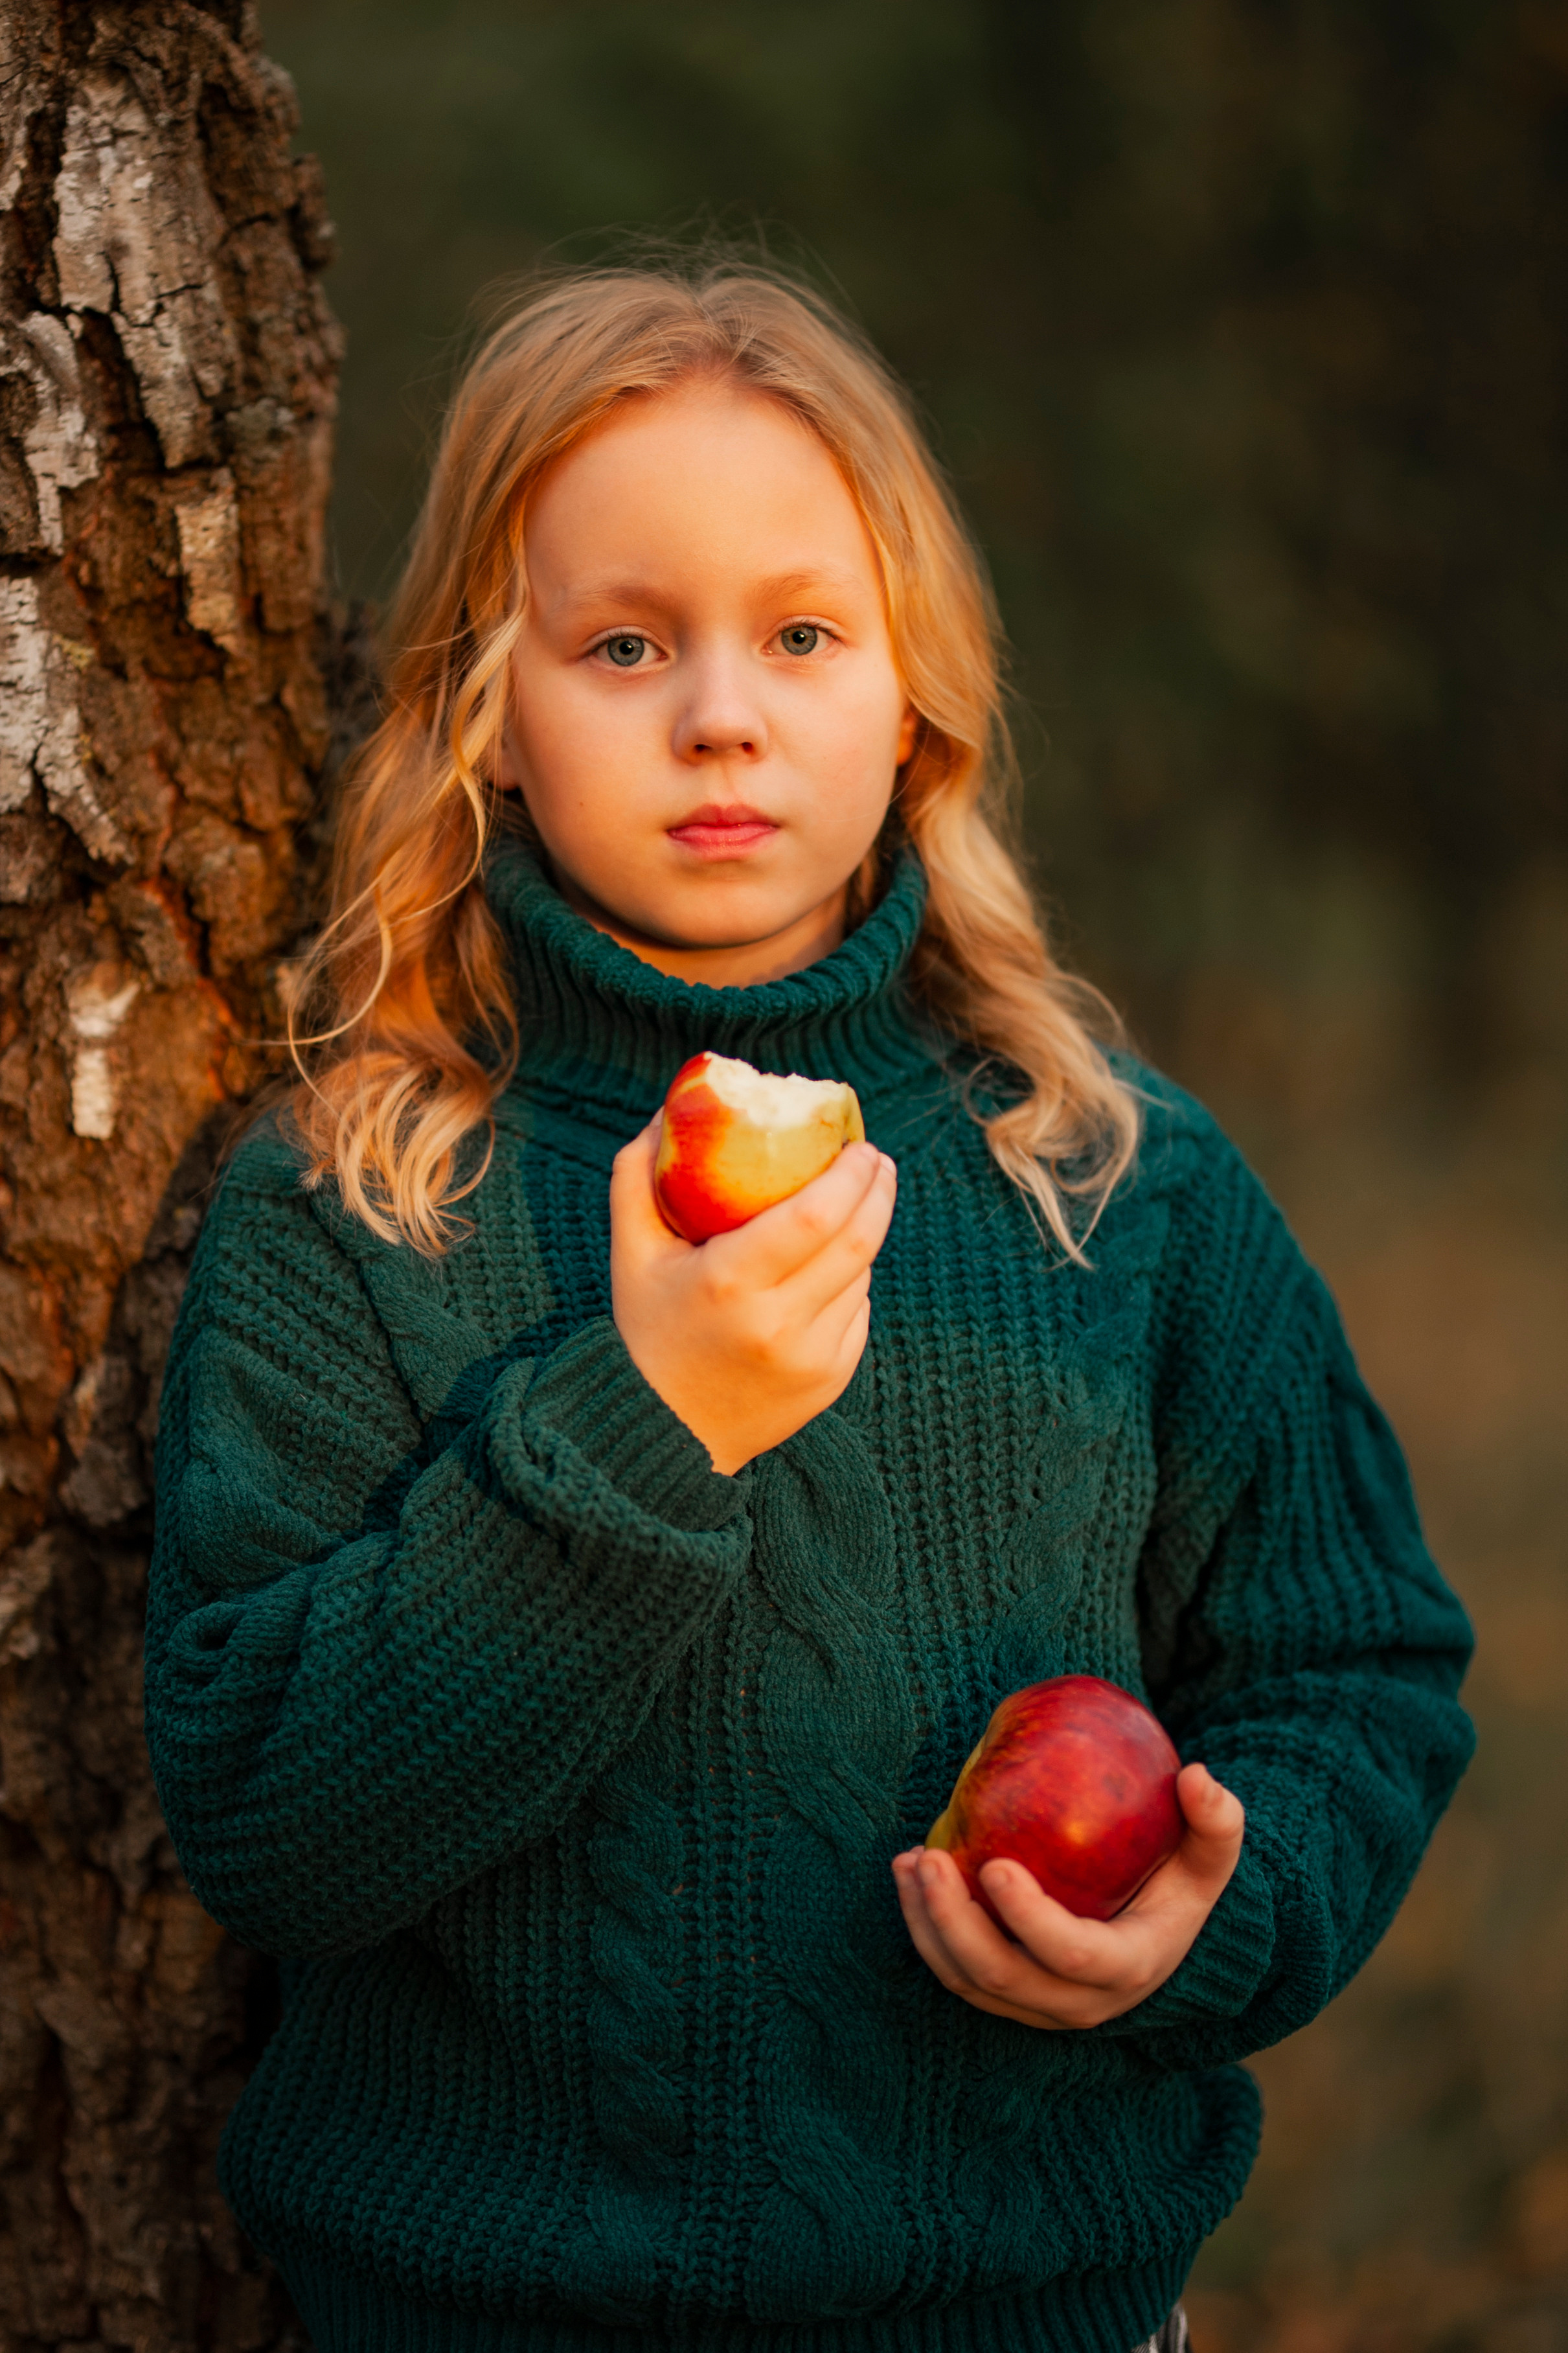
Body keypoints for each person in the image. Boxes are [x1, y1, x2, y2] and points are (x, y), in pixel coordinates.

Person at [144, 258, 1473, 2353]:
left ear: (916, 692)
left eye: (800, 634)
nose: (722, 714)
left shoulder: (1111, 1186)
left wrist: (1220, 1921)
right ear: (486, 711)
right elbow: (268, 1823)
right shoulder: (363, 1204)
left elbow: (1356, 1664)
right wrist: (642, 1420)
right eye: (621, 644)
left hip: (1028, 2310)